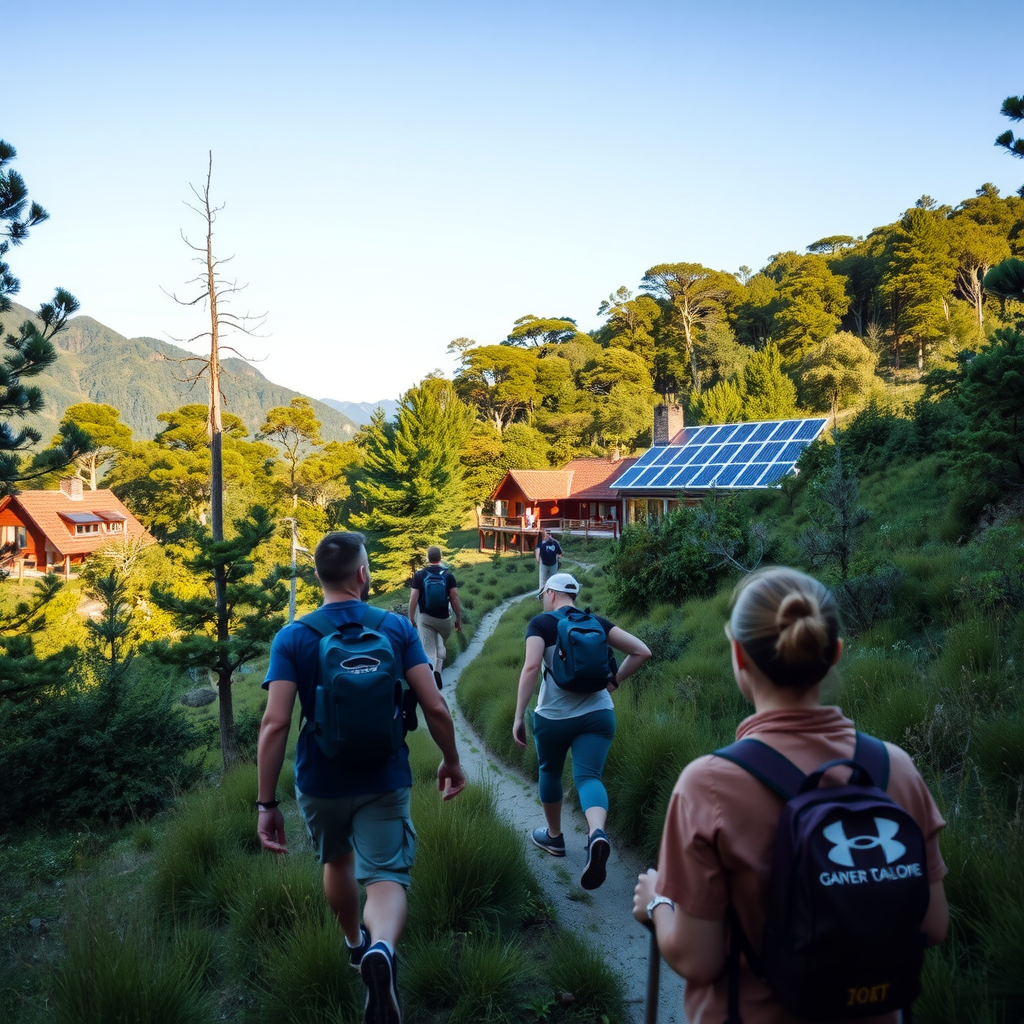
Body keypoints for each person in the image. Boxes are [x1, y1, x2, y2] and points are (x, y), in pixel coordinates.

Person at [632, 566, 948, 1024]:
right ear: (834, 653)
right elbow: (933, 926)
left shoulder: (707, 784)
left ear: (739, 655)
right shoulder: (894, 768)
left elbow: (699, 960)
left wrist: (657, 904)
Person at [257, 531, 466, 1024]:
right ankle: (383, 949)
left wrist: (266, 804)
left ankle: (355, 945)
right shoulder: (395, 628)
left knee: (337, 861)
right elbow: (435, 705)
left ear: (317, 576)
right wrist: (452, 761)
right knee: (386, 875)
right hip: (384, 774)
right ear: (362, 574)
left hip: (320, 779)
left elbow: (275, 723)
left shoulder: (293, 636)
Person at [513, 572, 651, 889]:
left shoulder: (541, 624)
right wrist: (614, 681)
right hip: (598, 714)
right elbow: (642, 651)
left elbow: (531, 667)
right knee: (589, 777)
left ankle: (554, 838)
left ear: (550, 593)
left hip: (554, 717)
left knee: (550, 772)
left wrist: (519, 716)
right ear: (573, 595)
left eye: (543, 595)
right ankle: (597, 833)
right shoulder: (597, 623)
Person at [407, 546, 462, 686]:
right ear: (440, 557)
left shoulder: (419, 575)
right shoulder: (448, 576)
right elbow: (455, 600)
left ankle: (431, 681)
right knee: (440, 642)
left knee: (429, 651)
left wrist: (411, 619)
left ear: (427, 558)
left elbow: (413, 599)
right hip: (445, 619)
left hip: (425, 619)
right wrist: (458, 620)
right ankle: (438, 668)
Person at [535, 529, 562, 597]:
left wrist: (558, 558)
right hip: (544, 564)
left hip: (553, 564)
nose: (548, 536)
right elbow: (538, 550)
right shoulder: (542, 543)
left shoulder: (555, 543)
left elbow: (560, 553)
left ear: (551, 535)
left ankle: (551, 594)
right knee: (543, 579)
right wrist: (538, 559)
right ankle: (541, 595)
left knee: (552, 579)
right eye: (547, 534)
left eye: (549, 534)